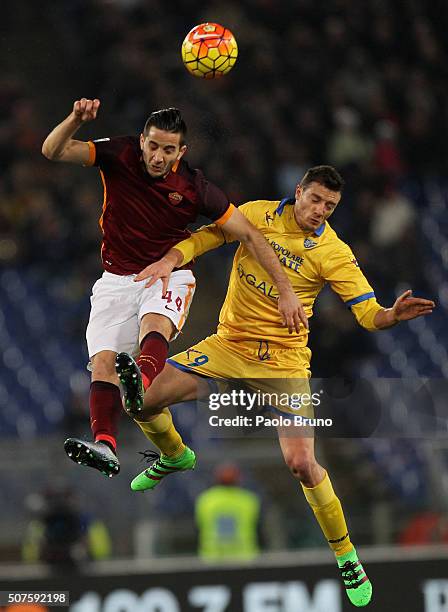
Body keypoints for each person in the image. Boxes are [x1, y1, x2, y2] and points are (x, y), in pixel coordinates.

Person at [118, 165, 435, 607]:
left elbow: (367, 313)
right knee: (140, 400)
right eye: (316, 200)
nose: (321, 211)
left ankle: (347, 556)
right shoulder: (257, 215)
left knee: (301, 463)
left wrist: (390, 316)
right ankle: (174, 454)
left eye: (330, 206)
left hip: (283, 362)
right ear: (299, 191)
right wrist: (172, 258)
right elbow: (210, 236)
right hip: (229, 345)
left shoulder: (333, 252)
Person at [41, 98, 305, 477]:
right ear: (142, 141)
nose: (158, 156)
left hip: (168, 273)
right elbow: (53, 150)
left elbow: (249, 233)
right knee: (101, 366)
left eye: (168, 149)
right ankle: (105, 444)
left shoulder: (196, 189)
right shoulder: (119, 153)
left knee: (155, 324)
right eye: (152, 146)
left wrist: (286, 289)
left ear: (182, 151)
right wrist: (75, 119)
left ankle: (141, 382)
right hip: (115, 281)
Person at [195, 463, 260, 561]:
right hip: (244, 558)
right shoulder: (248, 500)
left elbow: (199, 525)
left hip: (212, 558)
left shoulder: (205, 500)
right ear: (238, 479)